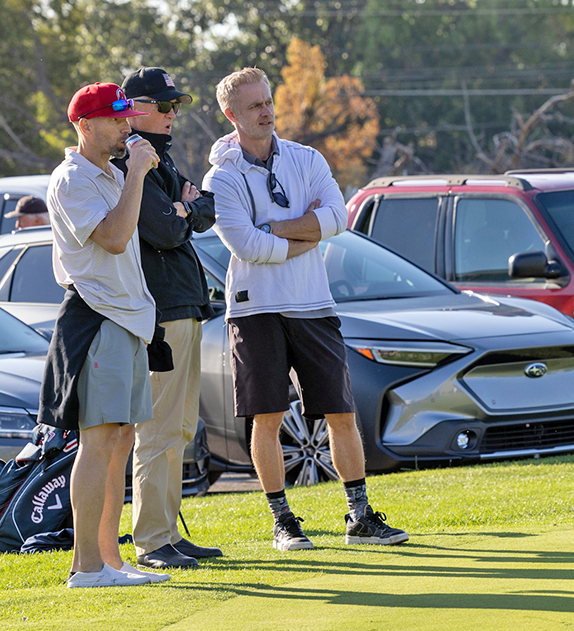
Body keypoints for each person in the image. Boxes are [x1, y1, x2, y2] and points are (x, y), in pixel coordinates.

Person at [202, 67, 407, 551]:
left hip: (314, 303)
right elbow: (247, 247)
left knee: (340, 412)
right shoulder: (221, 177)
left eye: (269, 101)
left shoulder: (307, 158)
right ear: (231, 115)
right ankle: (283, 521)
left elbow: (337, 219)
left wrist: (274, 230)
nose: (267, 111)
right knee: (267, 417)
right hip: (255, 312)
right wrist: (301, 232)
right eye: (254, 106)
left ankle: (359, 517)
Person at [40, 82, 168, 588]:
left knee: (120, 440)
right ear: (85, 126)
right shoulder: (72, 178)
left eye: (125, 118)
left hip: (127, 318)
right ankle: (85, 566)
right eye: (115, 120)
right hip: (95, 318)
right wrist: (136, 172)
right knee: (97, 442)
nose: (124, 127)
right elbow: (113, 240)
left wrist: (133, 175)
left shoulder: (113, 173)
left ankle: (110, 562)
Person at [110, 67, 223, 569]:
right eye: (164, 105)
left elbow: (208, 211)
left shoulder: (160, 160)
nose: (173, 113)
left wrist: (185, 209)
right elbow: (165, 231)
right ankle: (153, 541)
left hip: (183, 307)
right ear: (134, 108)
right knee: (158, 431)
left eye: (175, 105)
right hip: (162, 312)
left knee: (178, 428)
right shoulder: (129, 159)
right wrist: (183, 209)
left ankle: (167, 534)